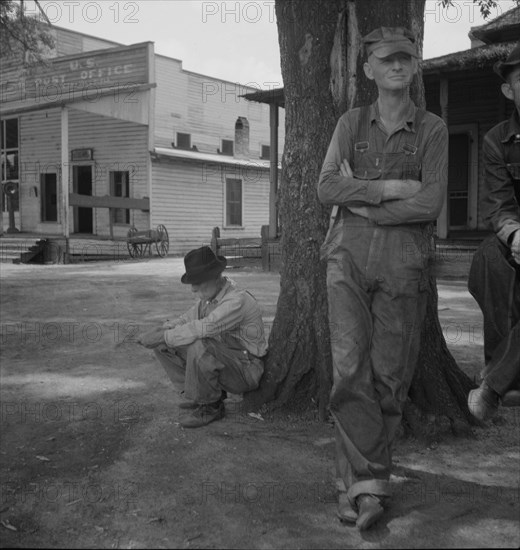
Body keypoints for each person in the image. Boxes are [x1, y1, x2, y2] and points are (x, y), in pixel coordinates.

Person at [318, 27, 448, 530]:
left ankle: (355, 484)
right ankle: (368, 488)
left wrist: (366, 205)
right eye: (386, 59)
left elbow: (430, 203)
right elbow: (327, 186)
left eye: (406, 59)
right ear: (368, 70)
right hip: (346, 256)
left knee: (390, 377)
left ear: (415, 68)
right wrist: (392, 186)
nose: (397, 66)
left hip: (403, 258)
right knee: (349, 370)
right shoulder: (350, 124)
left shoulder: (433, 130)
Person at [137, 246, 267, 428]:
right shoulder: (209, 298)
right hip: (230, 362)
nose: (193, 288)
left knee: (200, 343)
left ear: (216, 277)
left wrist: (165, 336)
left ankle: (210, 407)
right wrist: (162, 330)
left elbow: (203, 328)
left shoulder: (236, 300)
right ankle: (196, 397)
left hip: (247, 370)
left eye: (198, 282)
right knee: (163, 345)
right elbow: (185, 319)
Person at [467, 42, 520, 421]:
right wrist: (515, 237)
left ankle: (496, 383)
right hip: (519, 237)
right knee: (488, 257)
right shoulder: (497, 140)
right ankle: (506, 371)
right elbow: (498, 204)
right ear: (508, 90)